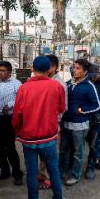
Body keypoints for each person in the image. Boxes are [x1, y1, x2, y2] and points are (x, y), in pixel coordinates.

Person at [11, 56, 71, 199]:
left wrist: (18, 129)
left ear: (32, 68)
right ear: (49, 69)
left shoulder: (24, 88)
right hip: (49, 137)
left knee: (31, 173)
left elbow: (17, 115)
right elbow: (61, 108)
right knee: (53, 170)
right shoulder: (56, 86)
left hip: (29, 138)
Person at [59, 58, 100, 186]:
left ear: (85, 71)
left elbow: (98, 105)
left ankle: (75, 175)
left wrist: (81, 110)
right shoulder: (70, 83)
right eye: (74, 67)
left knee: (78, 152)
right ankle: (60, 172)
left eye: (77, 68)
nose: (74, 70)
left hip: (80, 124)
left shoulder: (89, 86)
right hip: (66, 123)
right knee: (63, 150)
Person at [0, 61, 24, 185]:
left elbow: (21, 99)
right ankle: (4, 170)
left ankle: (17, 173)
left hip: (9, 119)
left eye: (3, 71)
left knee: (10, 147)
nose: (0, 73)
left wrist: (9, 105)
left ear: (9, 72)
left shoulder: (16, 84)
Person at [36, 54, 68, 189]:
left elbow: (63, 107)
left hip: (52, 123)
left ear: (53, 67)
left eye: (46, 65)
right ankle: (42, 175)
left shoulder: (58, 84)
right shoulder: (43, 80)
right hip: (42, 122)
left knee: (50, 152)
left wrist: (54, 121)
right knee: (42, 150)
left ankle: (49, 178)